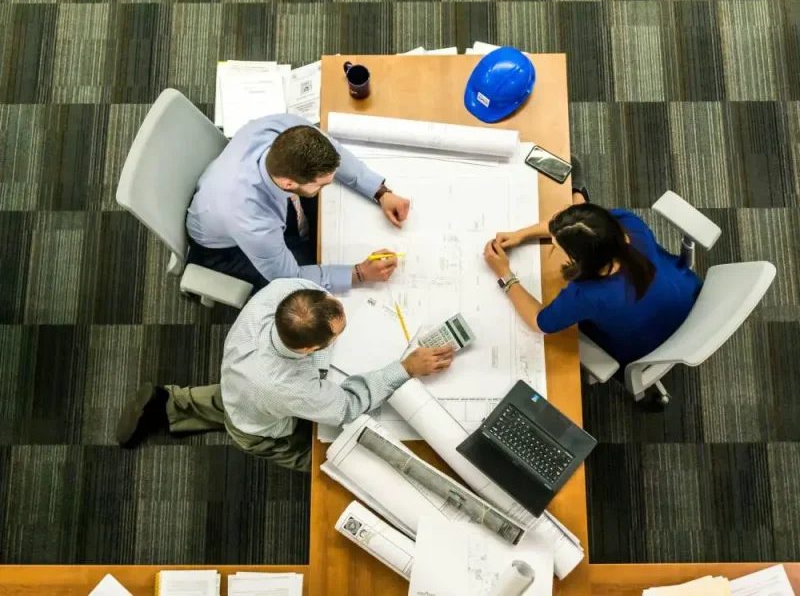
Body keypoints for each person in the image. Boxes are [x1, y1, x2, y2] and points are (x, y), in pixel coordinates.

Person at [116, 278, 455, 471]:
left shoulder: (284, 293)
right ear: (310, 349)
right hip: (261, 427)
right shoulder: (288, 387)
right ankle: (175, 409)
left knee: (234, 398)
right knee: (327, 459)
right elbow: (347, 406)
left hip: (240, 380)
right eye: (337, 336)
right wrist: (405, 368)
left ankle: (169, 403)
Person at [483, 161, 702, 398]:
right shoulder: (628, 225)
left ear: (579, 258)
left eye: (558, 247)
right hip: (691, 298)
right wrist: (520, 235)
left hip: (646, 345)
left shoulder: (588, 295)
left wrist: (505, 274)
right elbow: (583, 226)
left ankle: (578, 194)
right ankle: (579, 195)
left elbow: (539, 321)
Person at [186, 114, 412, 292]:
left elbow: (335, 153)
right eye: (322, 184)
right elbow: (289, 277)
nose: (328, 185)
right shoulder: (253, 221)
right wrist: (360, 273)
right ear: (288, 184)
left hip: (226, 193)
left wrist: (380, 192)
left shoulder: (286, 129)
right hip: (225, 249)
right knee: (303, 290)